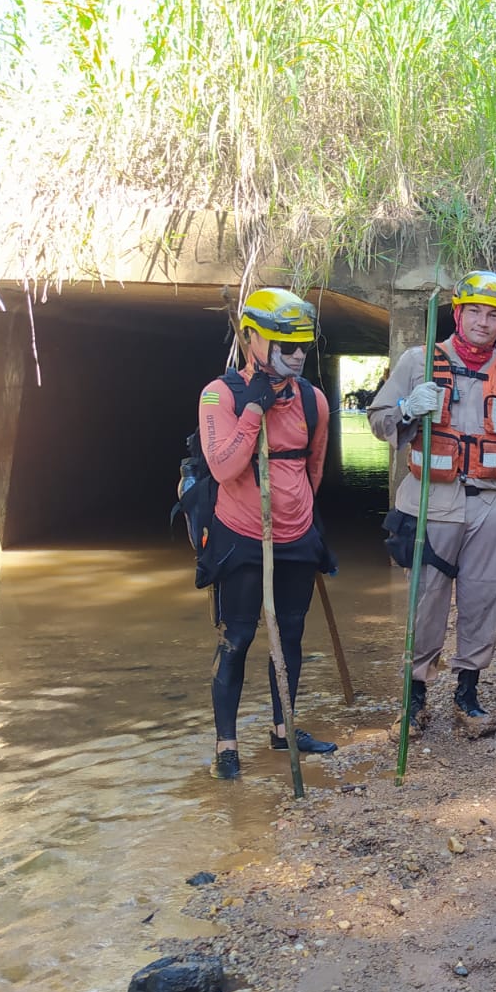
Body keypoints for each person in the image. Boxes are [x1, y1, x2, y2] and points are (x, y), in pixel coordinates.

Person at [368, 271, 496, 738]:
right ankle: (415, 698)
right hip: (431, 501)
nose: (483, 322)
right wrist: (409, 407)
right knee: (424, 602)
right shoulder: (418, 361)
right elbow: (379, 420)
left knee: (482, 599)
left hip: (491, 505)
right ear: (458, 313)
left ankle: (467, 695)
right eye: (475, 311)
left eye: (493, 315)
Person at [199, 287, 338, 779]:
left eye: (303, 346)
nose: (297, 356)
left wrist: (296, 513)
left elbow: (314, 469)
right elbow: (223, 467)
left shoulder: (313, 400)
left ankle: (283, 730)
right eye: (286, 345)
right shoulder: (220, 395)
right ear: (253, 338)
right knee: (237, 637)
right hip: (241, 534)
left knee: (293, 633)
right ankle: (226, 746)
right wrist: (255, 410)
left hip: (296, 535)